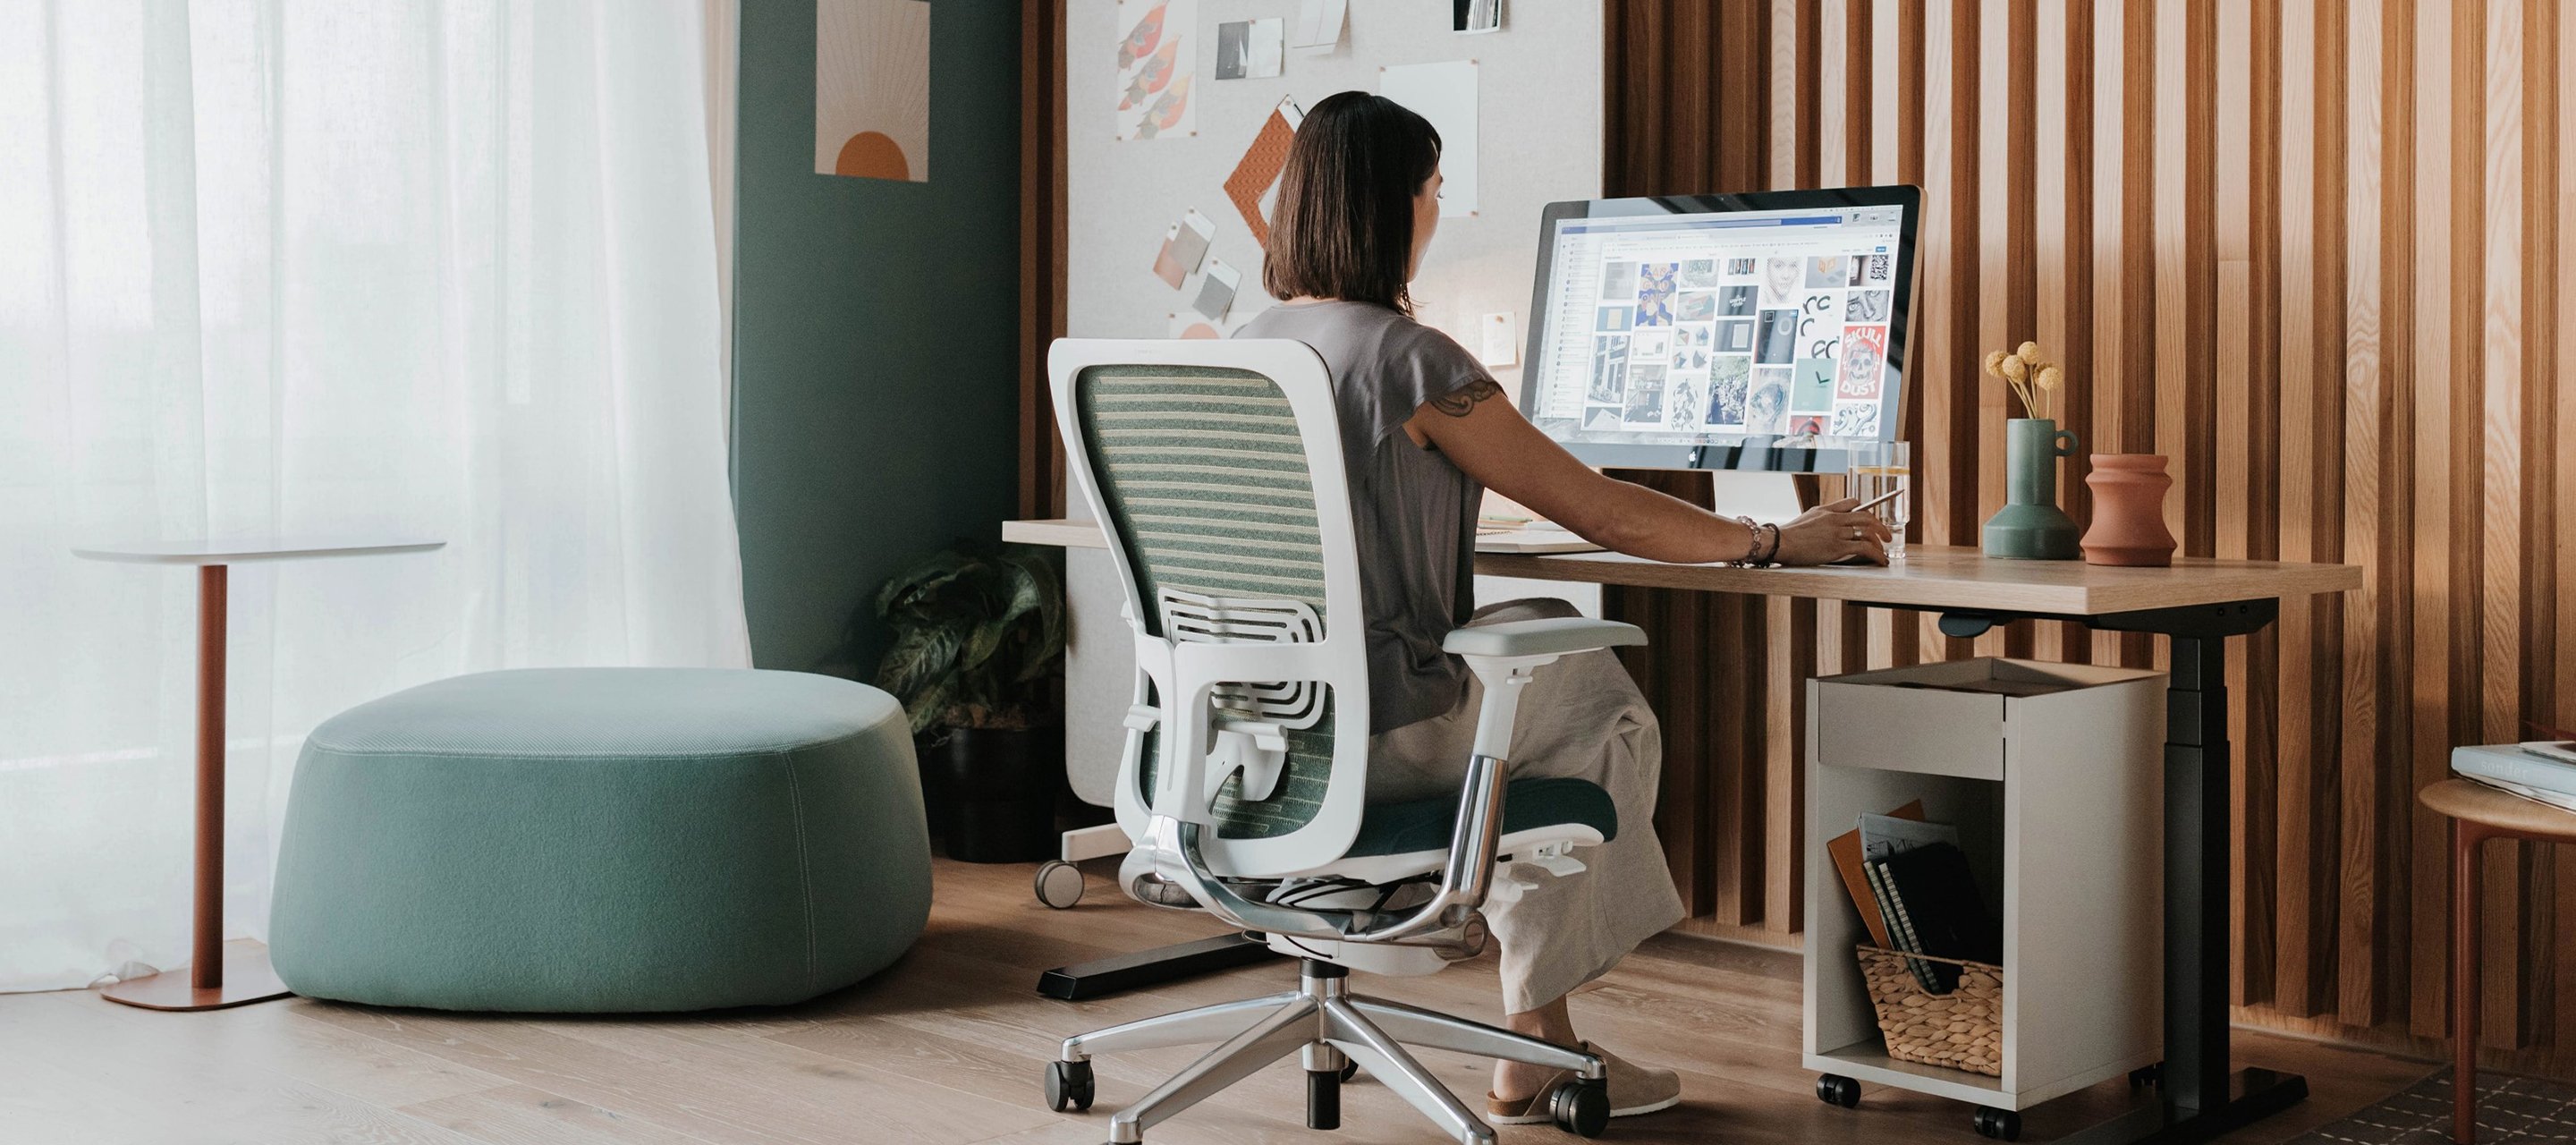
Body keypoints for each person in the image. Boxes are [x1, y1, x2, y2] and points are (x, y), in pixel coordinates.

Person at [1233, 90, 1892, 1124]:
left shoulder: (1247, 348)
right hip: (1383, 734)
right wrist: (1773, 539)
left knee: (1532, 629)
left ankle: (1540, 1043)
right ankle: (1543, 1041)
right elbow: (1601, 510)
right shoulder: (1414, 362)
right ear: (1390, 208)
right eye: (1434, 191)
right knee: (1591, 693)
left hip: (1259, 735)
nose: (1438, 210)